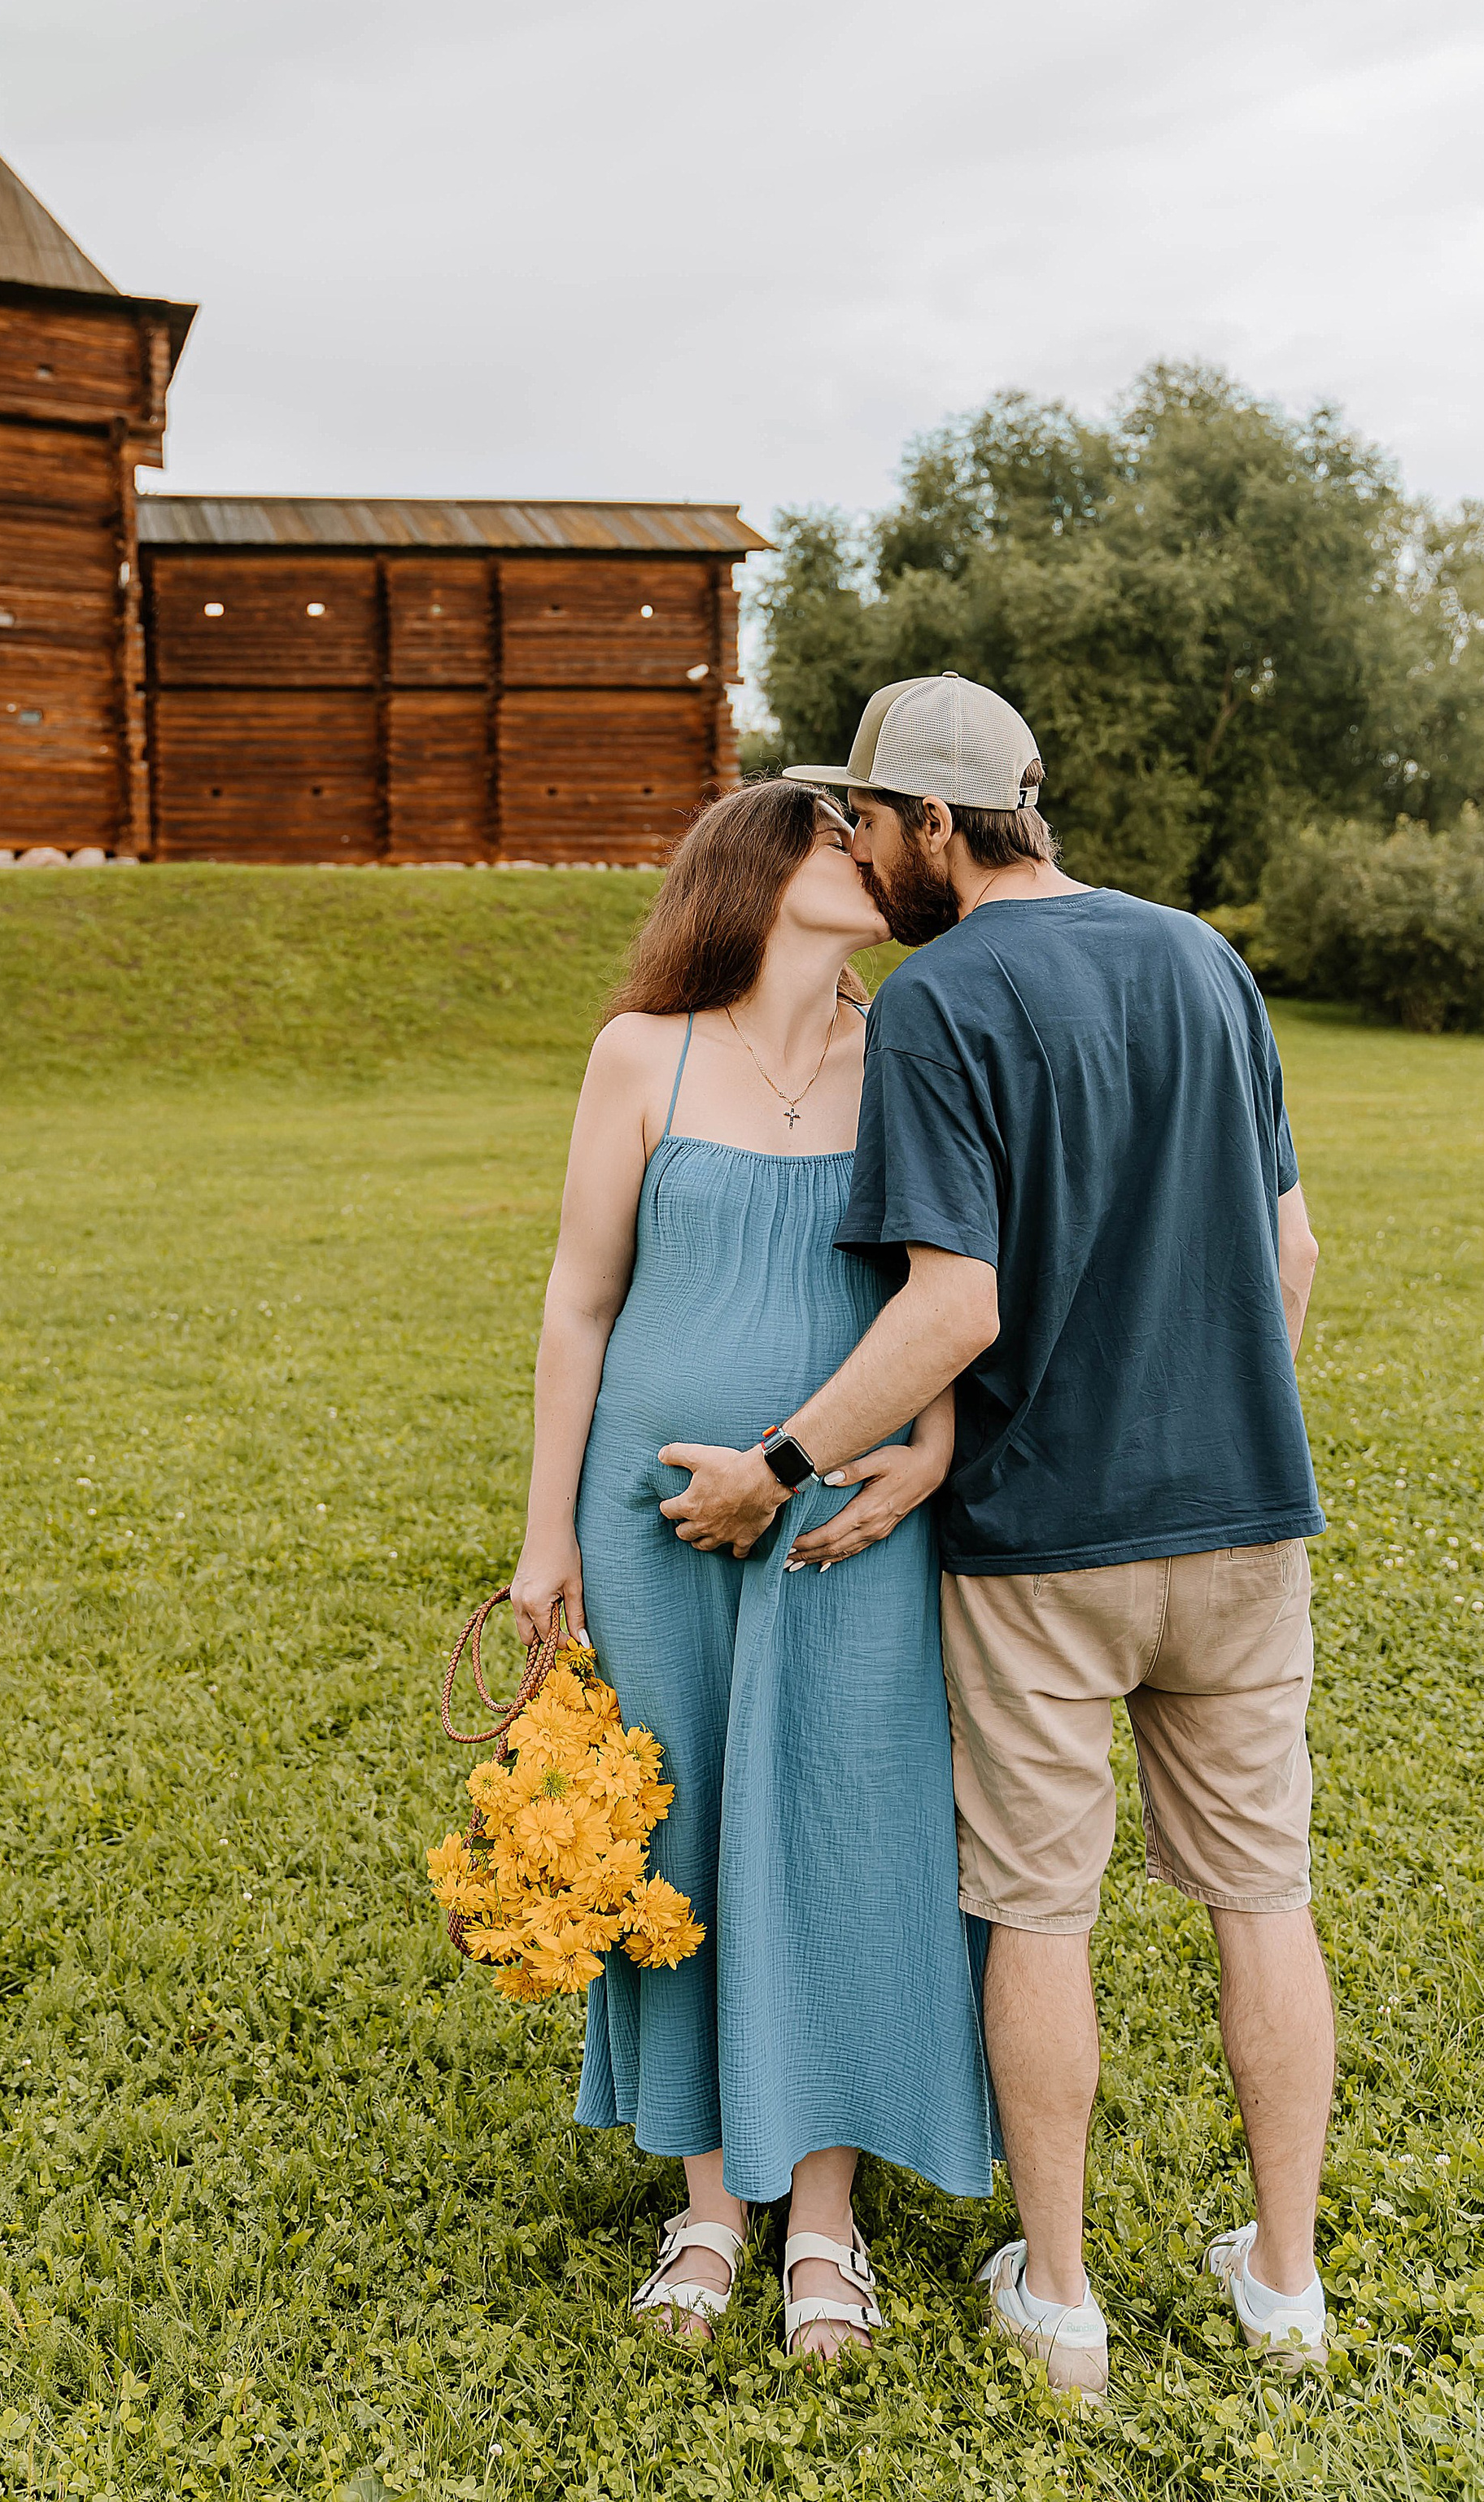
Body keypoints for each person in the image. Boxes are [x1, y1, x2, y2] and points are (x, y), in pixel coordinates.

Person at [661, 673, 1329, 2401]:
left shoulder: (944, 1002)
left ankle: (1061, 2297)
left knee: (1042, 1917)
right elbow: (1293, 1257)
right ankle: (1282, 2286)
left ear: (939, 827)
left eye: (873, 820)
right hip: (1243, 1524)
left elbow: (950, 1309)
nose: (864, 849)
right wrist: (1213, 1419)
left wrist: (780, 1459)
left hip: (1045, 1543)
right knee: (1259, 1898)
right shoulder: (1198, 956)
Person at [508, 776, 997, 2361]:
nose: (867, 862)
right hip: (647, 1519)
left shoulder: (903, 1049)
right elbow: (579, 1302)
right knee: (685, 1832)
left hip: (843, 1509)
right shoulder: (637, 1053)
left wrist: (922, 1438)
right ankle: (712, 2205)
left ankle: (828, 2228)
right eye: (831, 840)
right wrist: (541, 1536)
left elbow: (941, 1274)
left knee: (845, 1826)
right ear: (752, 871)